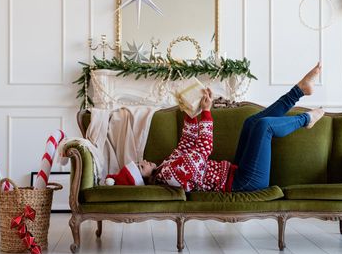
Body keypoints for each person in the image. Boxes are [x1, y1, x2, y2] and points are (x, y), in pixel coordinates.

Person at [106, 63, 324, 192]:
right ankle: (306, 119)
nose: (142, 161)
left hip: (237, 172)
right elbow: (202, 150)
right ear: (143, 179)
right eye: (140, 166)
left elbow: (186, 144)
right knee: (264, 127)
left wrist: (191, 112)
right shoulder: (170, 176)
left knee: (251, 123)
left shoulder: (166, 166)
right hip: (245, 183)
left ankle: (300, 89)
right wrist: (207, 112)